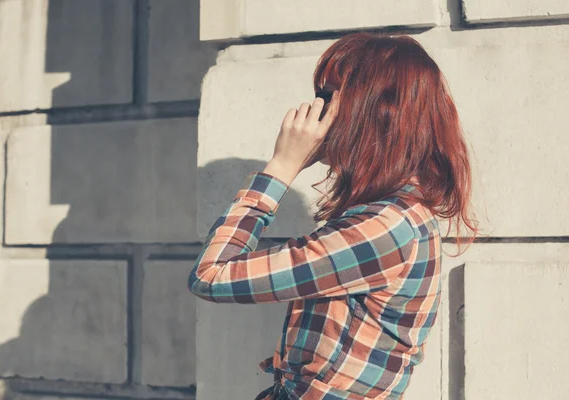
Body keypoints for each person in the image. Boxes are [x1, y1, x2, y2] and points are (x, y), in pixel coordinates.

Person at [188, 32, 480, 400]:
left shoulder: (384, 228)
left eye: (327, 97)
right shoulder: (391, 216)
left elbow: (212, 274)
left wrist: (281, 167)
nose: (316, 112)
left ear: (373, 110)